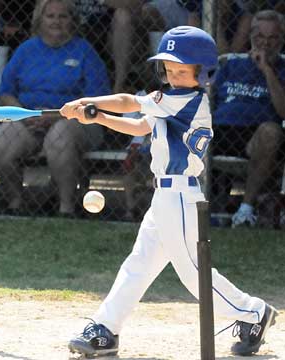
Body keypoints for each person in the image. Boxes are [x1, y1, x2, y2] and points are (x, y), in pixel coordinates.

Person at [60, 26, 278, 357]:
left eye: (182, 69)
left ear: (202, 73)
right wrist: (98, 117)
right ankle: (105, 329)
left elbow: (129, 101)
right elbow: (138, 124)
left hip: (179, 196)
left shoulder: (187, 102)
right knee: (139, 265)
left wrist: (87, 101)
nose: (174, 75)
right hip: (165, 197)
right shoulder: (170, 102)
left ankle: (253, 314)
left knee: (193, 272)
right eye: (169, 68)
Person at [0, 0, 111, 217]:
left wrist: (56, 116)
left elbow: (95, 100)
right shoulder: (26, 50)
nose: (56, 21)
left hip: (75, 121)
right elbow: (5, 92)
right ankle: (15, 205)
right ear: (39, 20)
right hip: (29, 117)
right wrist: (24, 115)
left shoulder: (84, 51)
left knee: (59, 138)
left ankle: (65, 209)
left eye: (63, 16)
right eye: (50, 16)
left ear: (72, 21)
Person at [212, 10, 285, 227]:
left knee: (271, 131)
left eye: (272, 38)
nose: (265, 43)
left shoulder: (282, 69)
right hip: (219, 129)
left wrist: (266, 70)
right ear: (251, 37)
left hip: (254, 136)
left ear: (281, 39)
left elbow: (283, 111)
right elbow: (209, 98)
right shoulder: (231, 64)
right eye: (260, 37)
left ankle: (245, 211)